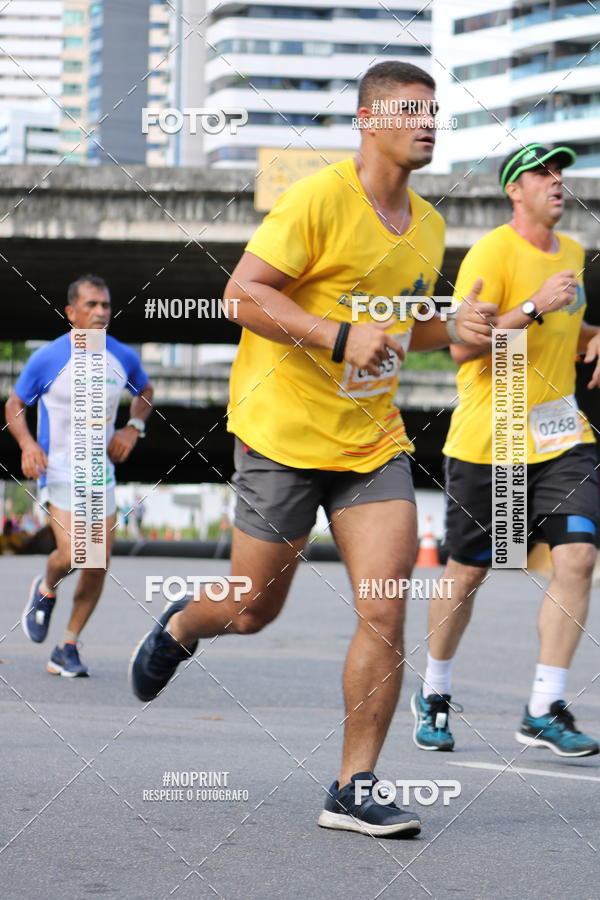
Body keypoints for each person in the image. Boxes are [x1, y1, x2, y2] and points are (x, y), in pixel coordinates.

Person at [130, 61, 495, 837]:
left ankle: (353, 786)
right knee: (253, 608)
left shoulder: (427, 227)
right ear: (367, 120)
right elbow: (240, 294)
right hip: (281, 435)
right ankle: (183, 626)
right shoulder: (319, 198)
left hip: (372, 443)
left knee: (385, 608)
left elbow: (398, 327)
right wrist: (336, 336)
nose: (428, 121)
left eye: (436, 111)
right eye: (410, 108)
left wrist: (451, 330)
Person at [413, 144, 600, 758]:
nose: (557, 183)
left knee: (576, 559)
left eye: (560, 173)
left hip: (560, 438)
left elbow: (566, 333)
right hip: (490, 442)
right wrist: (533, 306)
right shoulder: (492, 253)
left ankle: (544, 708)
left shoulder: (573, 254)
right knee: (467, 575)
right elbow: (465, 347)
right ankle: (434, 693)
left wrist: (594, 336)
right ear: (513, 190)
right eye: (542, 174)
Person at [5, 274, 154, 677]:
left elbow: (145, 392)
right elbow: (15, 403)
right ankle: (45, 587)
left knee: (97, 563)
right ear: (71, 312)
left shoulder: (122, 356)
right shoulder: (49, 358)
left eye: (105, 305)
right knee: (74, 554)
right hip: (59, 470)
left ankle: (67, 645)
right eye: (91, 305)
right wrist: (27, 444)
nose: (101, 312)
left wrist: (132, 429)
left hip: (99, 474)